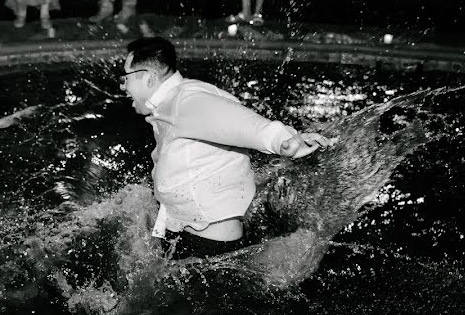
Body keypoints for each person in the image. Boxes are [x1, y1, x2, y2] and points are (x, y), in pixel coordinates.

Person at [120, 37, 335, 258]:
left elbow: (243, 124)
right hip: (200, 239)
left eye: (125, 78)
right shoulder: (179, 98)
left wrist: (284, 141)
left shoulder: (185, 102)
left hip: (208, 247)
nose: (122, 86)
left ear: (148, 78)